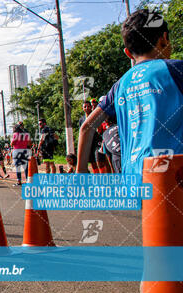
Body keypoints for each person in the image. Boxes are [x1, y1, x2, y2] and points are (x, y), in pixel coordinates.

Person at [78, 9, 183, 174]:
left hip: (132, 181)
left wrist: (81, 172)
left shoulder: (120, 85)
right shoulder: (176, 69)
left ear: (128, 53)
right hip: (172, 177)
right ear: (164, 39)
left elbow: (86, 127)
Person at [78, 101, 102, 173]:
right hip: (88, 143)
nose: (87, 108)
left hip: (97, 141)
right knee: (92, 162)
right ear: (82, 108)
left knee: (100, 160)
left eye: (88, 106)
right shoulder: (81, 119)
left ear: (91, 107)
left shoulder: (95, 116)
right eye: (85, 107)